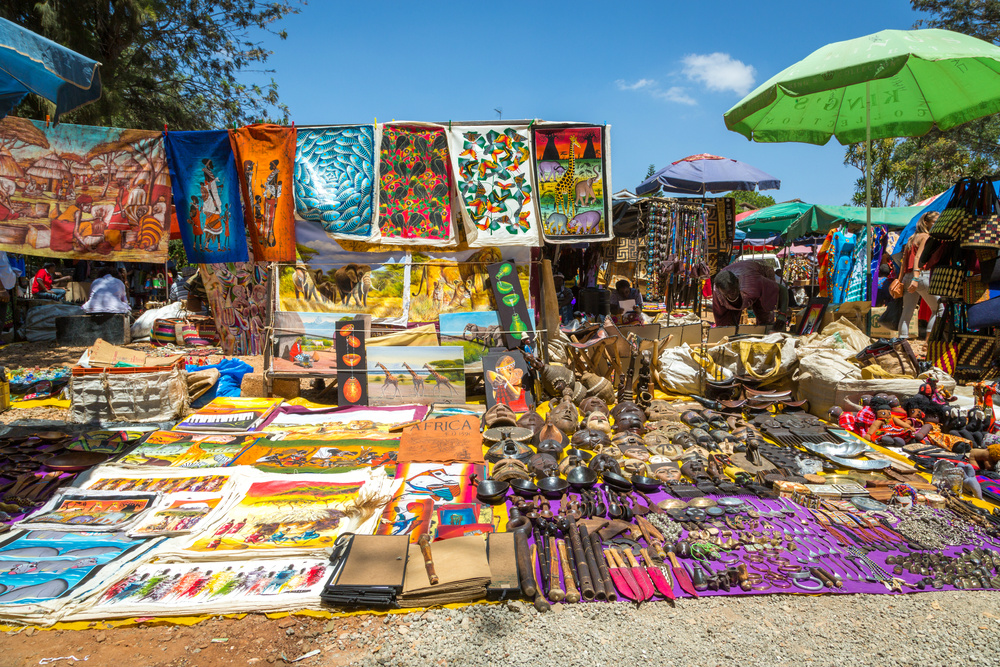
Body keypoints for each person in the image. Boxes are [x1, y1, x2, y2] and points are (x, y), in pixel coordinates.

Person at [898, 211, 944, 340]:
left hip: (908, 278)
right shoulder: (926, 237)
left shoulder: (911, 238)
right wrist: (916, 277)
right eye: (934, 222)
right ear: (926, 222)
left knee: (906, 312)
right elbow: (918, 257)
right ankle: (929, 342)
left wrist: (899, 280)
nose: (936, 225)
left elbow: (904, 262)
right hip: (921, 276)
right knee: (939, 309)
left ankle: (901, 344)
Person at [712, 259, 789, 328]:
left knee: (764, 317)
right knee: (726, 327)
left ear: (737, 282)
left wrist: (782, 314)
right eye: (726, 295)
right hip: (741, 273)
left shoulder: (752, 283)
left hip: (759, 271)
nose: (730, 296)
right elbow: (721, 326)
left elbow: (782, 289)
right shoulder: (718, 293)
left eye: (732, 292)